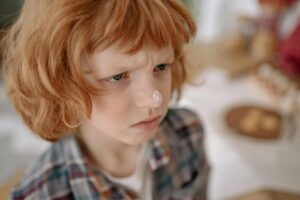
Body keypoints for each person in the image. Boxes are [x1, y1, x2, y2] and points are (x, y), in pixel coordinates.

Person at [1, 0, 210, 199]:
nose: (153, 100)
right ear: (62, 81)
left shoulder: (188, 134)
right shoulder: (39, 193)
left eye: (161, 66)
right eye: (118, 76)